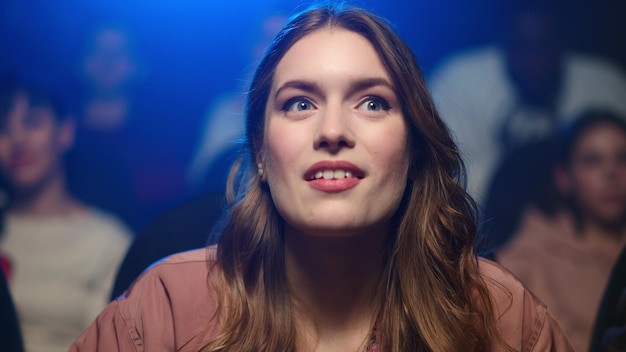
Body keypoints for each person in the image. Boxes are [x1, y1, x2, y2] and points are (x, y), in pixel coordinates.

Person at [70, 4, 573, 351]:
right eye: (300, 103)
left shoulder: (501, 315)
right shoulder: (165, 311)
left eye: (372, 102)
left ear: (416, 149)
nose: (333, 130)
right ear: (261, 155)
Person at [428, 1, 626, 205]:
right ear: (505, 42)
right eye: (524, 47)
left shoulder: (606, 85)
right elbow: (443, 180)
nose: (535, 62)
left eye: (544, 45)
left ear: (561, 43)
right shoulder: (456, 82)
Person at [0, 74, 132, 352]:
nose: (18, 139)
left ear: (64, 132)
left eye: (32, 123)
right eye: (3, 127)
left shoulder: (106, 241)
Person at [497, 109, 626, 351]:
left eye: (622, 158)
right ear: (564, 177)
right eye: (592, 160)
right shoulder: (527, 262)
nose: (611, 172)